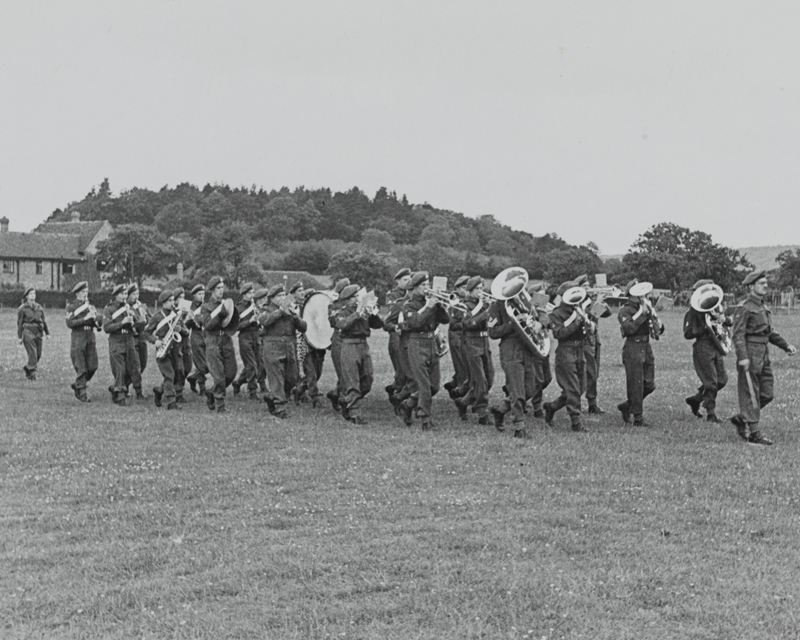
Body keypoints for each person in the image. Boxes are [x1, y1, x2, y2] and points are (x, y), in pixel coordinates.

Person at [730, 270, 797, 445]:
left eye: (766, 283)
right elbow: (737, 335)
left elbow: (769, 332)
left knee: (767, 393)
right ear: (751, 286)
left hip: (763, 353)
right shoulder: (744, 307)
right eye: (761, 283)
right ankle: (754, 433)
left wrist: (785, 345)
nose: (765, 285)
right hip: (750, 354)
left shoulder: (762, 306)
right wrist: (743, 357)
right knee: (751, 393)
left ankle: (743, 418)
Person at [400, 272, 450, 430]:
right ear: (414, 288)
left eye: (428, 285)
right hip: (416, 343)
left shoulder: (431, 303)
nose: (427, 288)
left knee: (434, 386)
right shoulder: (408, 305)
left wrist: (440, 306)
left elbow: (446, 320)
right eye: (423, 285)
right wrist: (428, 307)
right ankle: (425, 419)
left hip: (431, 343)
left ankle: (408, 404)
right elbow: (416, 322)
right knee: (423, 385)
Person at [333, 284, 384, 424]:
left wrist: (373, 313)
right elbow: (342, 324)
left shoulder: (364, 310)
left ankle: (347, 400)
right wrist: (357, 314)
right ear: (346, 300)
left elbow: (380, 325)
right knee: (352, 380)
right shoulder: (342, 312)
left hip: (363, 344)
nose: (357, 299)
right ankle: (354, 413)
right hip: (349, 344)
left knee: (368, 379)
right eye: (354, 297)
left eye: (357, 296)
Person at [544, 281, 590, 432]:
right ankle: (576, 422)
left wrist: (589, 324)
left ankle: (552, 407)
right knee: (572, 388)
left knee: (581, 386)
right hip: (566, 351)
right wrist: (575, 322)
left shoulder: (578, 310)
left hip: (579, 350)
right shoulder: (556, 314)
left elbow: (585, 332)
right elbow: (559, 334)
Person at [617, 280, 664, 426]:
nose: (643, 295)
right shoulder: (625, 310)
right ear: (631, 294)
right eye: (639, 293)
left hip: (646, 346)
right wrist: (641, 313)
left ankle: (628, 406)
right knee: (636, 384)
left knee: (649, 384)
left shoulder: (645, 307)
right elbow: (629, 328)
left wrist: (659, 325)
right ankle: (638, 418)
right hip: (633, 347)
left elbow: (655, 328)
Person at [683, 279, 731, 423]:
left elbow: (729, 323)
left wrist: (724, 319)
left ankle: (696, 399)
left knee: (722, 380)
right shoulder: (693, 312)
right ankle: (711, 414)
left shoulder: (717, 308)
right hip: (702, 347)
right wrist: (705, 327)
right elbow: (688, 333)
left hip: (716, 345)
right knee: (711, 383)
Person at [258, 284, 307, 418]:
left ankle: (272, 396)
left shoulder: (291, 310)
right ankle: (279, 408)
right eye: (279, 296)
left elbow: (304, 327)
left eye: (283, 295)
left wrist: (295, 316)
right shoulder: (265, 309)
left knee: (292, 377)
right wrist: (280, 311)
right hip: (272, 346)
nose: (282, 298)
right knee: (277, 378)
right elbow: (265, 321)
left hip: (289, 346)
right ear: (272, 298)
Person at [455, 276, 494, 425]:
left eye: (482, 288)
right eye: (477, 289)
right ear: (470, 290)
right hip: (471, 342)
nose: (481, 291)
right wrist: (485, 310)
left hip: (484, 342)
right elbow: (469, 323)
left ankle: (463, 402)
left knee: (489, 378)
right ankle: (482, 414)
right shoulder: (464, 305)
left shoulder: (483, 304)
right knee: (479, 380)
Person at [198, 276, 239, 413]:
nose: (221, 291)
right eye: (218, 288)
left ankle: (211, 392)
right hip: (213, 341)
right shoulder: (205, 306)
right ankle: (220, 405)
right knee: (219, 376)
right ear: (212, 290)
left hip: (226, 340)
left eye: (222, 288)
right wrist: (219, 316)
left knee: (231, 373)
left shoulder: (225, 304)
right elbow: (207, 326)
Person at [143, 290, 188, 410]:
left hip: (175, 350)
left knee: (177, 373)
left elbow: (187, 332)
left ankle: (159, 390)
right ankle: (171, 402)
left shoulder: (176, 315)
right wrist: (155, 340)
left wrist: (180, 330)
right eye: (170, 301)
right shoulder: (157, 317)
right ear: (163, 303)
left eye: (173, 300)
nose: (173, 303)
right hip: (163, 349)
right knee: (169, 374)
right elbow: (146, 333)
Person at [574, 274, 612, 414]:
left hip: (595, 340)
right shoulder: (578, 303)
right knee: (587, 373)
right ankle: (576, 402)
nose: (588, 288)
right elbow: (587, 318)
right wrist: (596, 304)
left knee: (594, 373)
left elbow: (607, 314)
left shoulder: (591, 301)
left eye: (589, 286)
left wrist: (602, 302)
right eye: (584, 286)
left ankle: (592, 403)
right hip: (584, 341)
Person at [103, 284, 139, 406]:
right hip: (116, 339)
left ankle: (116, 388)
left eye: (125, 294)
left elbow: (139, 325)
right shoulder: (109, 309)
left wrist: (136, 318)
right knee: (120, 369)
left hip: (129, 339)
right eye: (121, 294)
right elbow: (107, 327)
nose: (124, 297)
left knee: (132, 368)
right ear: (116, 295)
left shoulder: (129, 307)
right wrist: (122, 323)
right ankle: (120, 395)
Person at [65, 281, 101, 402]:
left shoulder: (90, 306)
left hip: (90, 336)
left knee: (93, 365)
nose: (85, 294)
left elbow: (98, 323)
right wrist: (84, 318)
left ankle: (78, 384)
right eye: (82, 292)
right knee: (81, 365)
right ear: (77, 293)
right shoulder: (72, 306)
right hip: (78, 335)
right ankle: (82, 392)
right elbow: (70, 323)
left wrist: (96, 319)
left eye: (86, 292)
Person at [384, 268, 412, 403]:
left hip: (410, 334)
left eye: (409, 279)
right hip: (396, 334)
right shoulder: (393, 295)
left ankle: (397, 390)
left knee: (409, 369)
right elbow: (391, 314)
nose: (408, 282)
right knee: (401, 370)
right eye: (405, 280)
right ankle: (398, 394)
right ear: (398, 281)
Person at [232, 283, 262, 400]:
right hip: (245, 337)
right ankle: (252, 390)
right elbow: (236, 326)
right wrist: (249, 321)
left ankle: (238, 382)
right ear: (244, 294)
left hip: (256, 335)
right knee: (251, 365)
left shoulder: (254, 306)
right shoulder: (238, 308)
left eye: (252, 293)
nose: (252, 295)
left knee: (257, 364)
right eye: (249, 293)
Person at [443, 275, 471, 400]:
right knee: (461, 366)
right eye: (464, 288)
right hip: (457, 335)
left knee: (470, 366)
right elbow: (452, 321)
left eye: (468, 288)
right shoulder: (453, 300)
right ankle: (461, 397)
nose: (466, 291)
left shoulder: (470, 299)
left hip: (469, 335)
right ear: (458, 289)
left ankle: (454, 384)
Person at [325, 277, 350, 411]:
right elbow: (333, 321)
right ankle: (344, 401)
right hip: (339, 339)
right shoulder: (334, 306)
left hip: (351, 340)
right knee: (344, 372)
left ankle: (336, 394)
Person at [17, 287, 49, 381]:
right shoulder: (22, 308)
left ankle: (28, 367)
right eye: (30, 294)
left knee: (38, 354)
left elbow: (43, 321)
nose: (33, 295)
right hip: (27, 331)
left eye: (34, 293)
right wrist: (20, 337)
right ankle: (32, 374)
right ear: (26, 296)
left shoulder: (39, 308)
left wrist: (47, 333)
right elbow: (19, 323)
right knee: (33, 353)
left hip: (38, 331)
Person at [125, 284, 148, 399]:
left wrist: (146, 319)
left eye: (137, 294)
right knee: (136, 365)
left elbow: (150, 319)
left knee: (143, 364)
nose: (136, 296)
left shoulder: (141, 306)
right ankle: (138, 391)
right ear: (128, 295)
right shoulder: (125, 308)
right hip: (132, 338)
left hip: (142, 337)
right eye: (133, 294)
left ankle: (123, 384)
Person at [184, 284, 208, 395]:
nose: (202, 296)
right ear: (194, 295)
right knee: (201, 364)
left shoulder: (207, 306)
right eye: (199, 294)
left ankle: (193, 377)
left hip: (207, 335)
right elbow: (185, 326)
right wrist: (188, 319)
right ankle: (202, 388)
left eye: (203, 294)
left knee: (209, 363)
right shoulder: (189, 307)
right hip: (196, 335)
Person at [172, 287, 193, 402]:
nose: (182, 300)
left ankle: (168, 387)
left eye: (184, 297)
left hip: (186, 342)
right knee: (179, 369)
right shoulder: (172, 312)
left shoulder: (186, 310)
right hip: (177, 343)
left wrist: (189, 318)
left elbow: (187, 329)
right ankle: (178, 393)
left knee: (188, 367)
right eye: (179, 297)